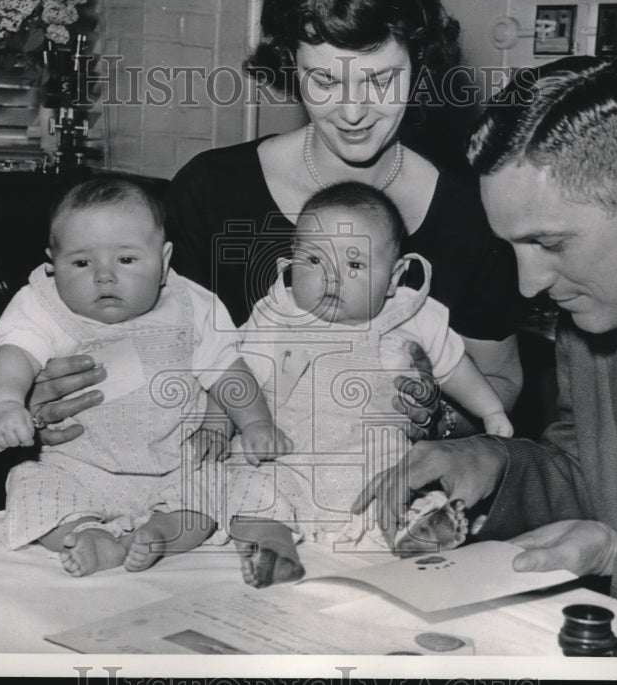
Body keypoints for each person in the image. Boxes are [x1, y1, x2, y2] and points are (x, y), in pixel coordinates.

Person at [355, 56, 617, 642]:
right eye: (514, 249)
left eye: (550, 243)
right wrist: (494, 464)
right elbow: (591, 476)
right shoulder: (596, 312)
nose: (530, 285)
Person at [165, 0, 525, 422]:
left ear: (419, 64)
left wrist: (436, 420)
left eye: (380, 79)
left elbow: (501, 381)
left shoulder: (469, 212)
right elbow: (154, 356)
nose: (353, 111)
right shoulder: (211, 191)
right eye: (324, 80)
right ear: (290, 63)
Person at [0, 177, 290, 577]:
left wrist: (256, 423)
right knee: (32, 486)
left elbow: (229, 370)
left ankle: (159, 532)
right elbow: (13, 357)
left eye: (126, 260)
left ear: (163, 261)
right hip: (78, 467)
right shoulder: (43, 307)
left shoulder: (191, 306)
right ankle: (87, 536)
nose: (103, 276)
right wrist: (5, 404)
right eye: (81, 263)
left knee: (209, 496)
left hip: (176, 466)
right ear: (52, 264)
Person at [218, 182, 514, 586]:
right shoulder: (275, 315)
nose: (333, 279)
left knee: (406, 488)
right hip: (285, 454)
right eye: (315, 260)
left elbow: (454, 367)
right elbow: (233, 377)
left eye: (355, 266)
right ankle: (273, 547)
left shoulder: (408, 317)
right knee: (251, 489)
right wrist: (220, 425)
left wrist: (491, 411)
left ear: (393, 278)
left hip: (374, 462)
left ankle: (415, 533)